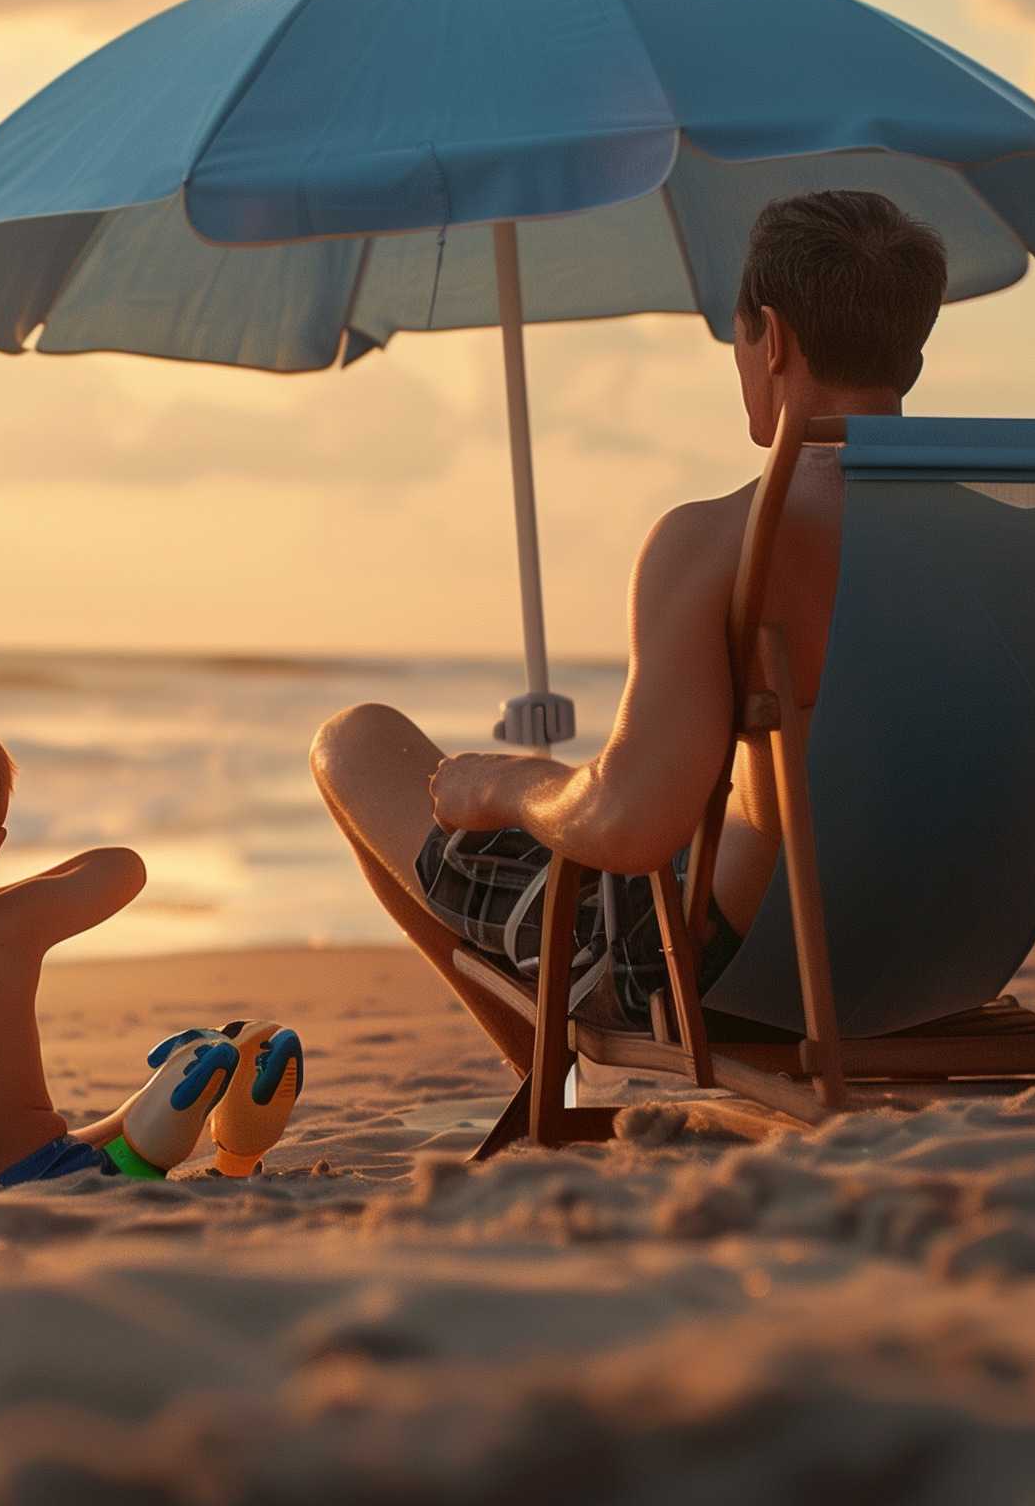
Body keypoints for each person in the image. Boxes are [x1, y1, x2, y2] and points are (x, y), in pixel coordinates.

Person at [311, 189, 950, 1054]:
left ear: (773, 337)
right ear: (910, 357)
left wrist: (510, 783)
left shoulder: (719, 539)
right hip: (931, 956)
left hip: (726, 974)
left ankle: (544, 1091)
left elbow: (626, 825)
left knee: (356, 740)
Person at [0, 678, 304, 1184]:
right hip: (55, 1167)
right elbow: (124, 868)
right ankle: (185, 1105)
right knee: (105, 1137)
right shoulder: (10, 924)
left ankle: (167, 1109)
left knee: (108, 1130)